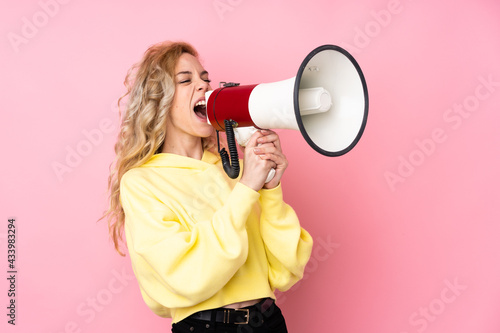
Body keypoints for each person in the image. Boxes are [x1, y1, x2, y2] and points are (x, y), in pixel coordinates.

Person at [102, 41, 313, 333]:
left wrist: (270, 189)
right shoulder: (141, 182)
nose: (203, 86)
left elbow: (284, 270)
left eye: (205, 78)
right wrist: (247, 188)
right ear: (159, 100)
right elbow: (186, 276)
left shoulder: (231, 169)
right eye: (186, 80)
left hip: (268, 322)